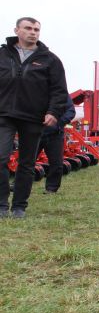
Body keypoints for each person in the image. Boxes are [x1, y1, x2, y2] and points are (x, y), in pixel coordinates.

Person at [0, 17, 69, 218]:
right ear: (17, 30)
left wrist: (53, 112)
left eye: (37, 29)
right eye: (28, 28)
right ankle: (2, 205)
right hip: (4, 114)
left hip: (33, 117)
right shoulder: (3, 55)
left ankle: (19, 206)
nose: (33, 32)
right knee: (1, 158)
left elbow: (59, 90)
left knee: (27, 163)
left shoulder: (50, 60)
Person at [38, 96, 76, 194]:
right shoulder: (36, 89)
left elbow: (71, 111)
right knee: (27, 161)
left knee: (56, 163)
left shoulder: (61, 94)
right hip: (36, 132)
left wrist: (59, 124)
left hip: (55, 134)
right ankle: (18, 185)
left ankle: (51, 188)